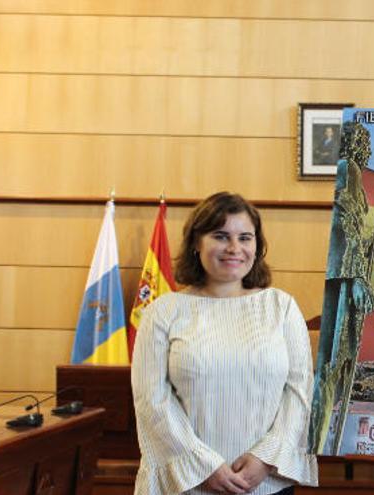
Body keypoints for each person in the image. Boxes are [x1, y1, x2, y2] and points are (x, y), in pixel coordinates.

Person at [132, 192, 317, 495]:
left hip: (265, 482)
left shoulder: (280, 306)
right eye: (220, 236)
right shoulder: (163, 311)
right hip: (187, 483)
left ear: (257, 246)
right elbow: (152, 401)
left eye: (245, 237)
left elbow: (300, 391)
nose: (234, 248)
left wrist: (265, 457)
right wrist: (202, 466)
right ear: (196, 243)